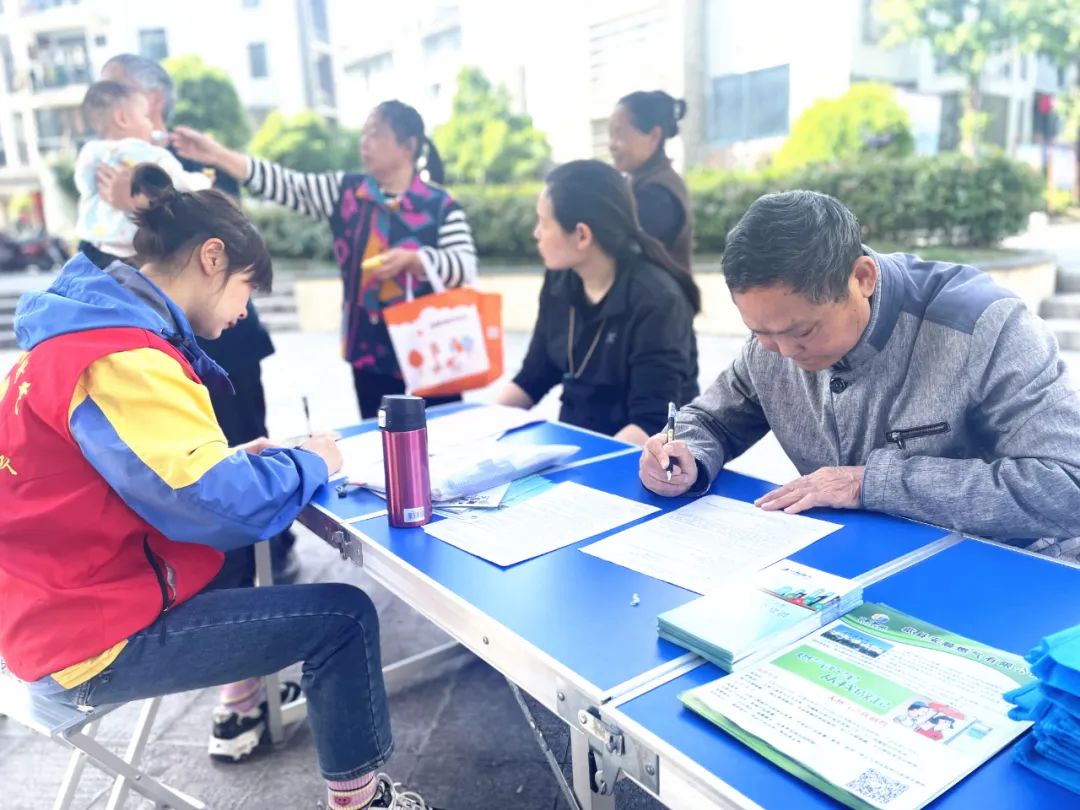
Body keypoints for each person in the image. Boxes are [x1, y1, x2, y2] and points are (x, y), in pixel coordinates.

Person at [0, 166, 434, 809]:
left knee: (302, 600)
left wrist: (227, 459)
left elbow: (143, 472)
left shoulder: (78, 338)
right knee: (343, 618)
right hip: (88, 637)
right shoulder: (124, 355)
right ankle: (363, 802)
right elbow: (217, 505)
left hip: (49, 608)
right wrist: (315, 460)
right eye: (245, 292)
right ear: (211, 258)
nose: (242, 314)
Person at [640, 190, 1080, 559]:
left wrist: (872, 483)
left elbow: (1066, 485)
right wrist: (684, 458)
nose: (784, 352)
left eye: (803, 331)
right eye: (759, 332)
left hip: (1005, 568)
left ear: (862, 278)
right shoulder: (774, 338)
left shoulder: (984, 327)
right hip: (847, 565)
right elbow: (712, 420)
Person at [96, 53, 292, 585]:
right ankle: (234, 582)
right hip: (99, 614)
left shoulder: (165, 166)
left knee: (243, 438)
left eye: (117, 95)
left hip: (221, 344)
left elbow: (217, 223)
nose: (107, 109)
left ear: (149, 100)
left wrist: (136, 195)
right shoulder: (123, 343)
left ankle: (269, 555)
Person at [171, 99, 479, 420]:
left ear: (408, 146)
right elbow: (285, 184)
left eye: (376, 134)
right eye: (364, 134)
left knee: (446, 433)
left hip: (434, 350)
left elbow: (464, 266)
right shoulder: (345, 193)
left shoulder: (440, 205)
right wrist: (215, 154)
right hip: (370, 353)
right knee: (382, 436)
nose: (365, 143)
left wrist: (416, 260)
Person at [496, 160, 700, 444]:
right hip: (574, 445)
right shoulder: (559, 280)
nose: (536, 233)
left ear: (582, 235)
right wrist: (483, 424)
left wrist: (581, 469)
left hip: (641, 456)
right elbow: (535, 374)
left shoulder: (656, 299)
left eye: (544, 223)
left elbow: (651, 422)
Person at [74, 80, 212, 267]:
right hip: (137, 250)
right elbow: (182, 183)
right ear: (122, 119)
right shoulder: (153, 155)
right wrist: (204, 180)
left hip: (97, 247)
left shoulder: (90, 152)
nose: (151, 125)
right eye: (146, 117)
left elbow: (85, 186)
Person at [609, 90, 693, 274]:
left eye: (619, 132)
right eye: (611, 134)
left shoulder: (657, 194)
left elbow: (618, 257)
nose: (611, 144)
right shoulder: (639, 182)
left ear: (654, 136)